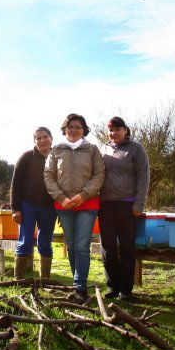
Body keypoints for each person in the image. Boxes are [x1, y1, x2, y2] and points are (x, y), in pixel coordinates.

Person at [44, 113, 105, 300]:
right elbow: (48, 175)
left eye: (78, 127)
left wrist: (83, 195)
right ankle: (77, 284)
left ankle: (80, 287)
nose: (74, 130)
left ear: (84, 130)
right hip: (64, 206)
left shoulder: (92, 149)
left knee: (81, 246)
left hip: (88, 204)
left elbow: (99, 175)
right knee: (70, 246)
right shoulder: (56, 150)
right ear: (65, 129)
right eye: (70, 126)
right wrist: (62, 198)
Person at [99, 116, 150, 300]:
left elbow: (144, 176)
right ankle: (112, 286)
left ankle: (126, 290)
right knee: (108, 247)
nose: (114, 133)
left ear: (126, 130)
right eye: (111, 130)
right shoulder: (103, 149)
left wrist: (139, 203)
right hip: (105, 205)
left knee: (127, 247)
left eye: (118, 129)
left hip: (127, 205)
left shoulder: (136, 148)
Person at [10, 127, 57, 280]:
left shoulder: (58, 156)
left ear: (51, 138)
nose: (42, 140)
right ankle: (19, 278)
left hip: (49, 207)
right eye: (38, 138)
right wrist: (15, 209)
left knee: (45, 241)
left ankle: (45, 279)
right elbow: (15, 183)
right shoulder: (26, 157)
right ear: (34, 141)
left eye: (45, 137)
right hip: (27, 205)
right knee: (25, 241)